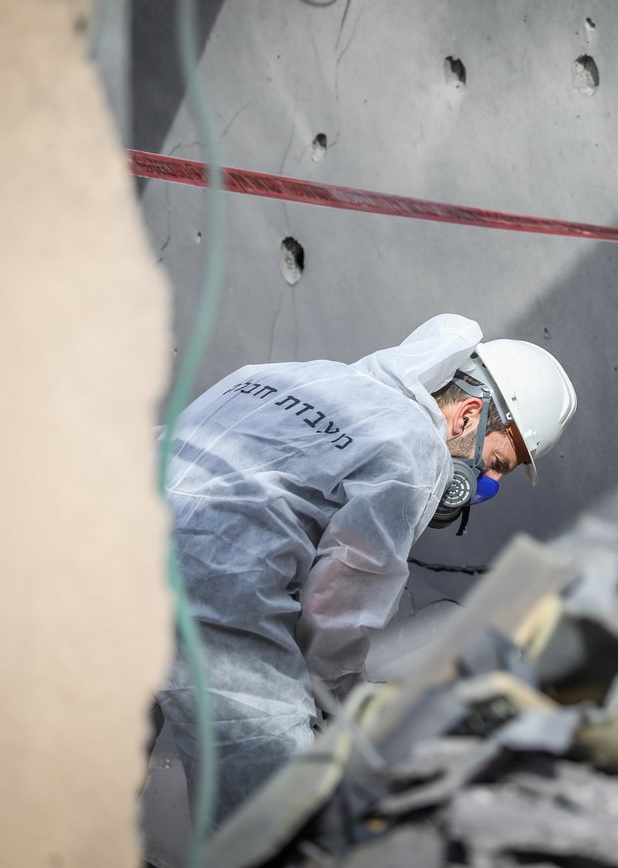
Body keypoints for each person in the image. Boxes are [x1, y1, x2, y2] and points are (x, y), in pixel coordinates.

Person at [155, 313, 577, 825]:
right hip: (212, 606)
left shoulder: (292, 375)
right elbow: (337, 612)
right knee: (277, 825)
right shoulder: (413, 448)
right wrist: (342, 712)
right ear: (468, 416)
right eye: (496, 464)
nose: (488, 485)